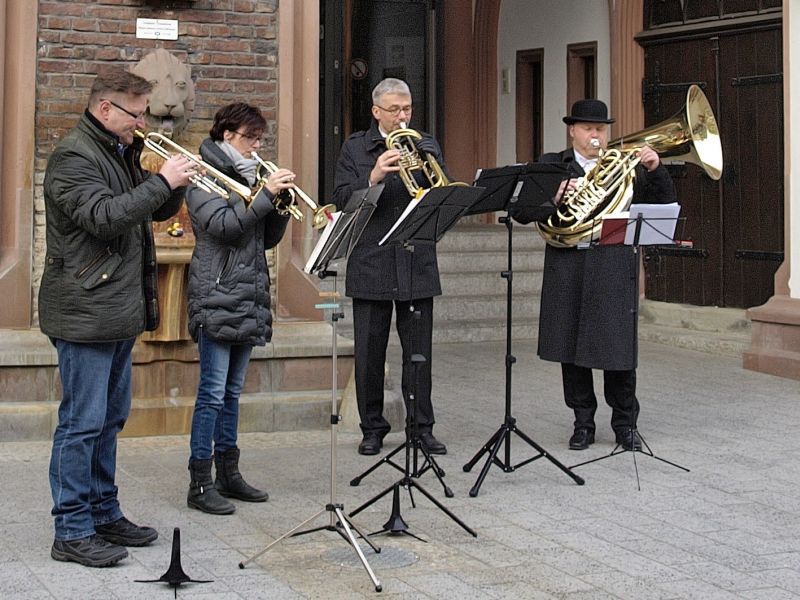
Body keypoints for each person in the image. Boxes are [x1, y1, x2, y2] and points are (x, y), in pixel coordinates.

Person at [39, 68, 194, 567]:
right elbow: (103, 217)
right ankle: (72, 528)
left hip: (115, 306)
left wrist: (171, 184)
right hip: (85, 308)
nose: (143, 121)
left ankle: (104, 512)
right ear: (105, 109)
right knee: (81, 424)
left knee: (109, 420)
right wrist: (160, 182)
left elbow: (143, 211)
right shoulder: (72, 157)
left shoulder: (117, 149)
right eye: (136, 112)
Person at [532, 99, 676, 451]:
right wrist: (553, 195)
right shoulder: (553, 165)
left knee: (618, 348)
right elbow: (523, 210)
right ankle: (583, 423)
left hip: (613, 265)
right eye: (587, 128)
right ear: (572, 131)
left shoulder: (627, 166)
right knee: (571, 348)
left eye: (600, 129)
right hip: (569, 266)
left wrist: (656, 169)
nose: (595, 135)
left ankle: (625, 424)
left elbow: (664, 204)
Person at [185, 102, 292, 515]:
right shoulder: (203, 178)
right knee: (211, 394)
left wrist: (278, 206)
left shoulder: (253, 176)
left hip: (247, 295)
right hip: (216, 294)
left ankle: (229, 474)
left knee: (231, 392)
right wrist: (265, 196)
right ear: (227, 136)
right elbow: (226, 229)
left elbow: (262, 239)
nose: (257, 146)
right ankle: (199, 482)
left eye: (260, 138)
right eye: (251, 138)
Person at [332, 78, 448, 456]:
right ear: (376, 111)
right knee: (369, 352)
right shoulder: (355, 148)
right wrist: (373, 176)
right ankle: (373, 428)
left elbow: (441, 194)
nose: (403, 116)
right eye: (395, 109)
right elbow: (340, 198)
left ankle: (422, 427)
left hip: (416, 259)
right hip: (372, 260)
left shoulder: (424, 143)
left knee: (419, 353)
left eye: (408, 108)